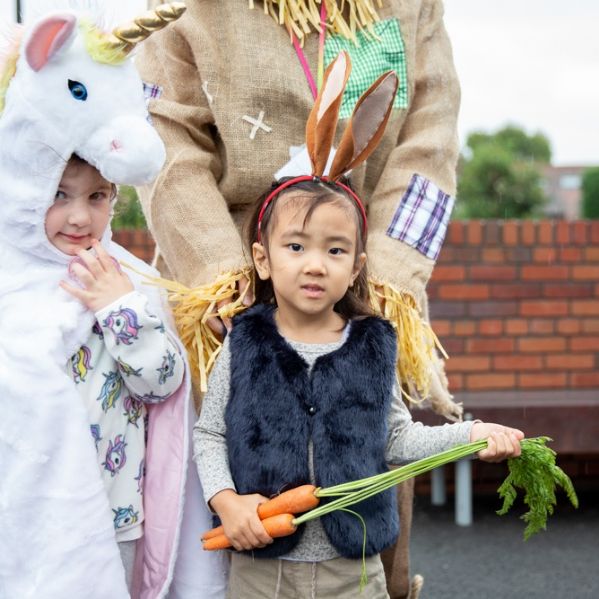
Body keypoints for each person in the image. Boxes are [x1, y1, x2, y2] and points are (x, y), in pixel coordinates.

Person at [138, 2, 461, 595]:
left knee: (365, 489)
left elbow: (430, 143)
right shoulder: (194, 8)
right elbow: (165, 134)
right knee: (218, 510)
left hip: (364, 287)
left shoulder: (411, 7)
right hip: (226, 307)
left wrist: (380, 277)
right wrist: (223, 275)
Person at [193, 175, 524, 598]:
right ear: (263, 259)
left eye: (335, 250)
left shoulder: (373, 347)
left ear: (355, 268)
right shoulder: (244, 343)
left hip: (353, 571)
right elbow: (209, 434)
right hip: (261, 567)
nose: (315, 264)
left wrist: (472, 435)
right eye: (295, 247)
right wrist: (226, 502)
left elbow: (399, 438)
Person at [0, 4, 227, 597]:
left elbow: (162, 384)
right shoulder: (9, 287)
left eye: (98, 196)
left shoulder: (124, 277)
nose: (80, 217)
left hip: (118, 513)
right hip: (29, 521)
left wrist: (119, 309)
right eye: (59, 194)